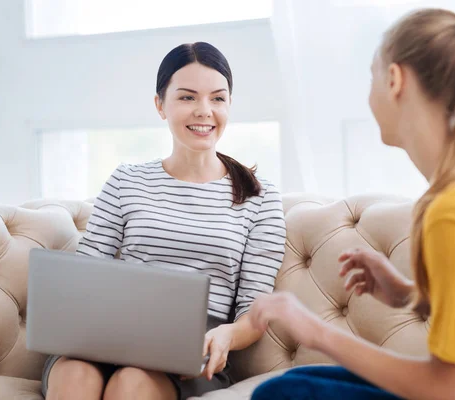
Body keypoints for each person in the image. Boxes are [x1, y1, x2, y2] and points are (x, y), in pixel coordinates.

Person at [249, 8, 455, 400]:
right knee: (294, 383)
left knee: (282, 395)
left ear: (394, 80)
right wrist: (404, 293)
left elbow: (445, 389)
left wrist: (312, 329)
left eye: (372, 76)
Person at [42, 42, 286, 400]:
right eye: (187, 98)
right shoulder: (126, 180)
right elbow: (87, 274)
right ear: (160, 105)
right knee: (75, 376)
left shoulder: (258, 197)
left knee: (132, 383)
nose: (204, 111)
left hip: (191, 352)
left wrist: (227, 336)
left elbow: (254, 308)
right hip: (107, 336)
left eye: (218, 98)